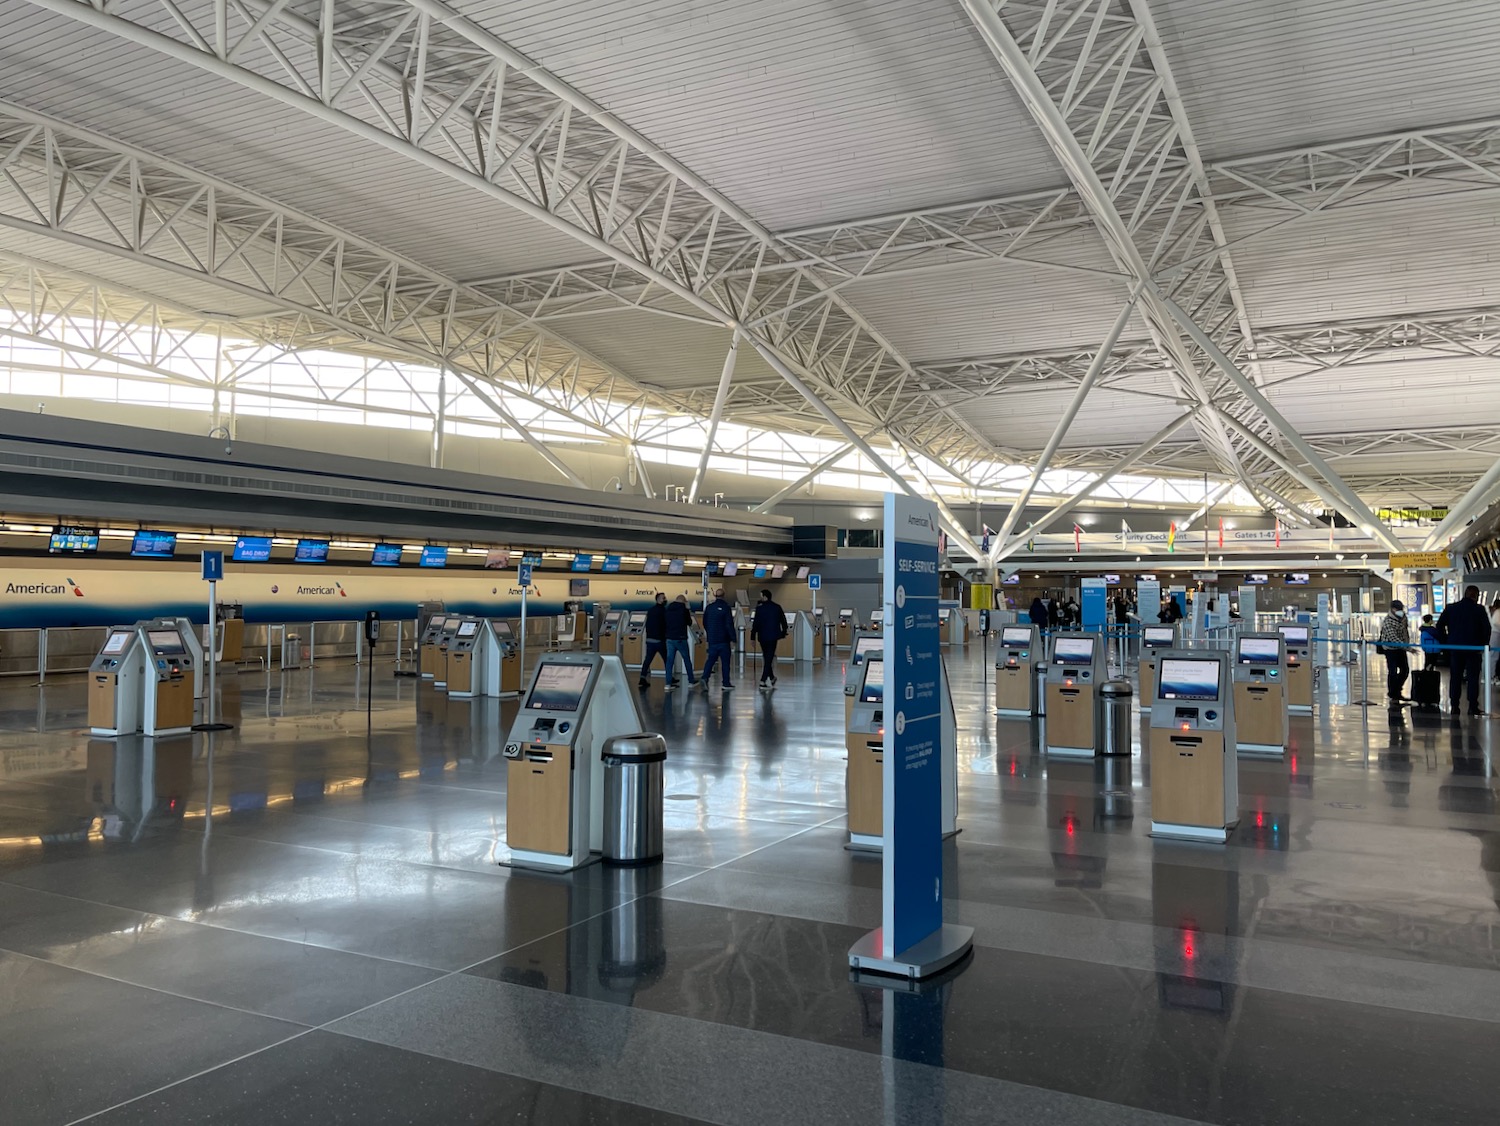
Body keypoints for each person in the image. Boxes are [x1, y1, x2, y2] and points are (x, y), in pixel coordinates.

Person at [1437, 585, 1490, 715]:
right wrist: (1483, 645)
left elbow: (1439, 625)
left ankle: (1454, 705)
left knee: (1455, 677)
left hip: (1455, 648)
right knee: (1472, 678)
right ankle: (1472, 706)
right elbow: (1486, 629)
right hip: (1473, 649)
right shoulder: (1479, 609)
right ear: (1476, 596)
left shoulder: (1451, 608)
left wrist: (1446, 642)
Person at [751, 589, 788, 688]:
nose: (760, 598)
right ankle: (766, 679)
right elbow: (783, 621)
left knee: (767, 657)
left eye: (761, 596)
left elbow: (755, 624)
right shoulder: (777, 607)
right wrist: (783, 633)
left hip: (762, 636)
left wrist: (752, 637)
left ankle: (767, 678)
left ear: (765, 596)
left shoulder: (759, 609)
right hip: (773, 636)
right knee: (769, 658)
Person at [700, 586, 735, 690]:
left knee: (711, 660)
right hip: (723, 640)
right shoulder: (726, 608)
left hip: (712, 639)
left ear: (715, 596)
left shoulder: (709, 608)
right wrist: (733, 638)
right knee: (725, 662)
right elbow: (729, 624)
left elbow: (705, 622)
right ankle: (726, 683)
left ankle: (705, 677)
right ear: (724, 596)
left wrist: (710, 633)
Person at [1377, 599, 1412, 704]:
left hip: (1401, 648)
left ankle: (1396, 691)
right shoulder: (1388, 622)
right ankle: (1393, 693)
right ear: (1392, 609)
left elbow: (1405, 633)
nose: (1400, 611)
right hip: (1390, 649)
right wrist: (1408, 648)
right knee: (1392, 671)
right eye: (1398, 609)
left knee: (1405, 670)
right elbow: (1393, 638)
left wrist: (1406, 645)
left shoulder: (1403, 618)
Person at [664, 593, 698, 689]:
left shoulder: (669, 608)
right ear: (683, 601)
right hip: (680, 638)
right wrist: (688, 609)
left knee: (669, 661)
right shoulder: (684, 609)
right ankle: (691, 680)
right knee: (686, 659)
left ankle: (668, 683)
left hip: (669, 638)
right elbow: (689, 622)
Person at [637, 591, 669, 689]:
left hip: (650, 639)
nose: (665, 599)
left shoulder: (650, 610)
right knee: (667, 660)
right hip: (659, 640)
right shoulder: (663, 611)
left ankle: (642, 677)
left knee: (647, 660)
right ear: (659, 599)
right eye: (663, 598)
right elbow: (665, 625)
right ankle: (669, 679)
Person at [1491, 601, 1500, 683]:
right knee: (1493, 656)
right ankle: (1491, 676)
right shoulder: (1498, 612)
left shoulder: (1496, 612)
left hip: (1495, 634)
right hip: (1495, 634)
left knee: (1493, 656)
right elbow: (1497, 623)